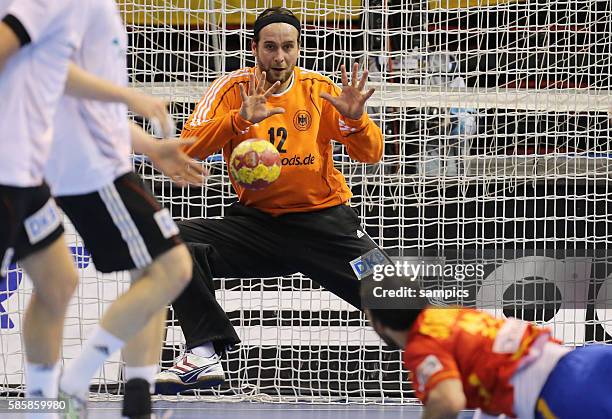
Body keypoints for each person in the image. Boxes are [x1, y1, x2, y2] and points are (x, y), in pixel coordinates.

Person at [155, 6, 387, 393]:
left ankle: (469, 360)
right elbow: (187, 148)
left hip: (329, 226)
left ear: (299, 48)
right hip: (256, 225)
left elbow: (372, 155)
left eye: (288, 47)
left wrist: (355, 121)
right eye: (270, 47)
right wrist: (239, 121)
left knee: (401, 302)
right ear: (254, 48)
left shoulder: (318, 89)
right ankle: (202, 352)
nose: (279, 57)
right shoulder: (231, 89)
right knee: (166, 238)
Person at [42, 1, 202, 417]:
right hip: (89, 167)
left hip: (108, 162)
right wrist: (134, 96)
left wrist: (151, 148)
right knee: (173, 268)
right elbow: (54, 72)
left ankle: (138, 399)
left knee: (151, 275)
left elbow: (99, 106)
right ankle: (75, 382)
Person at [362, 279, 612, 419]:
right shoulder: (448, 314)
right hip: (589, 360)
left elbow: (448, 400)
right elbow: (495, 376)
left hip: (563, 396)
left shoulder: (422, 346)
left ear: (377, 322)